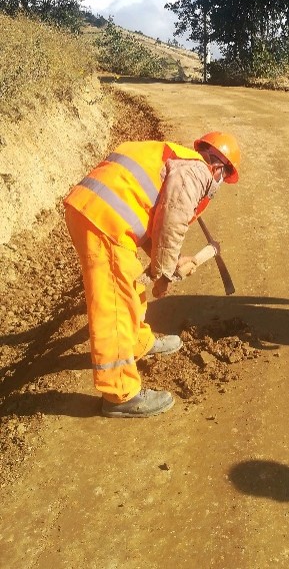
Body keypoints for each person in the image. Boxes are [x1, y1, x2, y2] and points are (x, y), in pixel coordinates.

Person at [63, 131, 241, 416]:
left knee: (130, 285)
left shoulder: (178, 161)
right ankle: (119, 394)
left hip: (99, 212)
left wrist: (167, 264)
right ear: (219, 169)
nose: (218, 185)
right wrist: (165, 275)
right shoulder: (196, 172)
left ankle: (137, 343)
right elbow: (171, 221)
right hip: (104, 221)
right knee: (115, 305)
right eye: (223, 178)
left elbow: (153, 222)